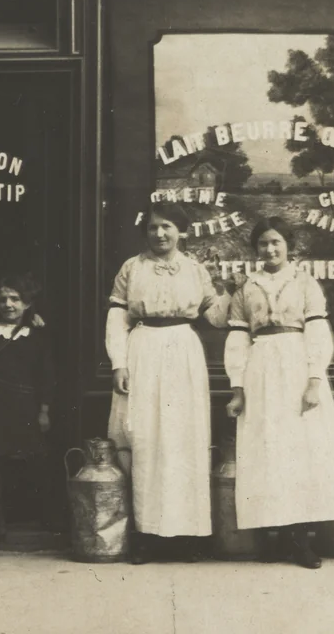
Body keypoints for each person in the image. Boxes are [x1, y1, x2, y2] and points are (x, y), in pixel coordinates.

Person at [225, 216, 334, 568]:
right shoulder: (246, 287)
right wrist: (238, 388)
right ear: (256, 249)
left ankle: (301, 540)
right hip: (261, 371)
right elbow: (237, 340)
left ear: (288, 245)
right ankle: (274, 538)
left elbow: (317, 333)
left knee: (301, 451)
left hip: (297, 367)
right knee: (267, 451)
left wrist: (315, 379)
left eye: (276, 242)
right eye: (263, 244)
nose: (270, 249)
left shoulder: (305, 283)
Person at [105, 201, 230, 565]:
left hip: (183, 353)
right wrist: (119, 363)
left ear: (181, 232)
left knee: (182, 441)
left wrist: (227, 291)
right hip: (143, 350)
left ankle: (187, 537)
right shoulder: (132, 268)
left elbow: (218, 318)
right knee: (144, 439)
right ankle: (145, 534)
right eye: (154, 228)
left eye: (167, 227)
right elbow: (117, 319)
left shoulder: (195, 269)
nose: (160, 234)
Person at [0, 273, 56, 538]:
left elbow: (45, 375)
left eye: (15, 299)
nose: (8, 305)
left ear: (26, 304)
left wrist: (44, 410)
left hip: (26, 405)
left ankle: (43, 517)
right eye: (3, 299)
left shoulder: (37, 335)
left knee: (35, 459)